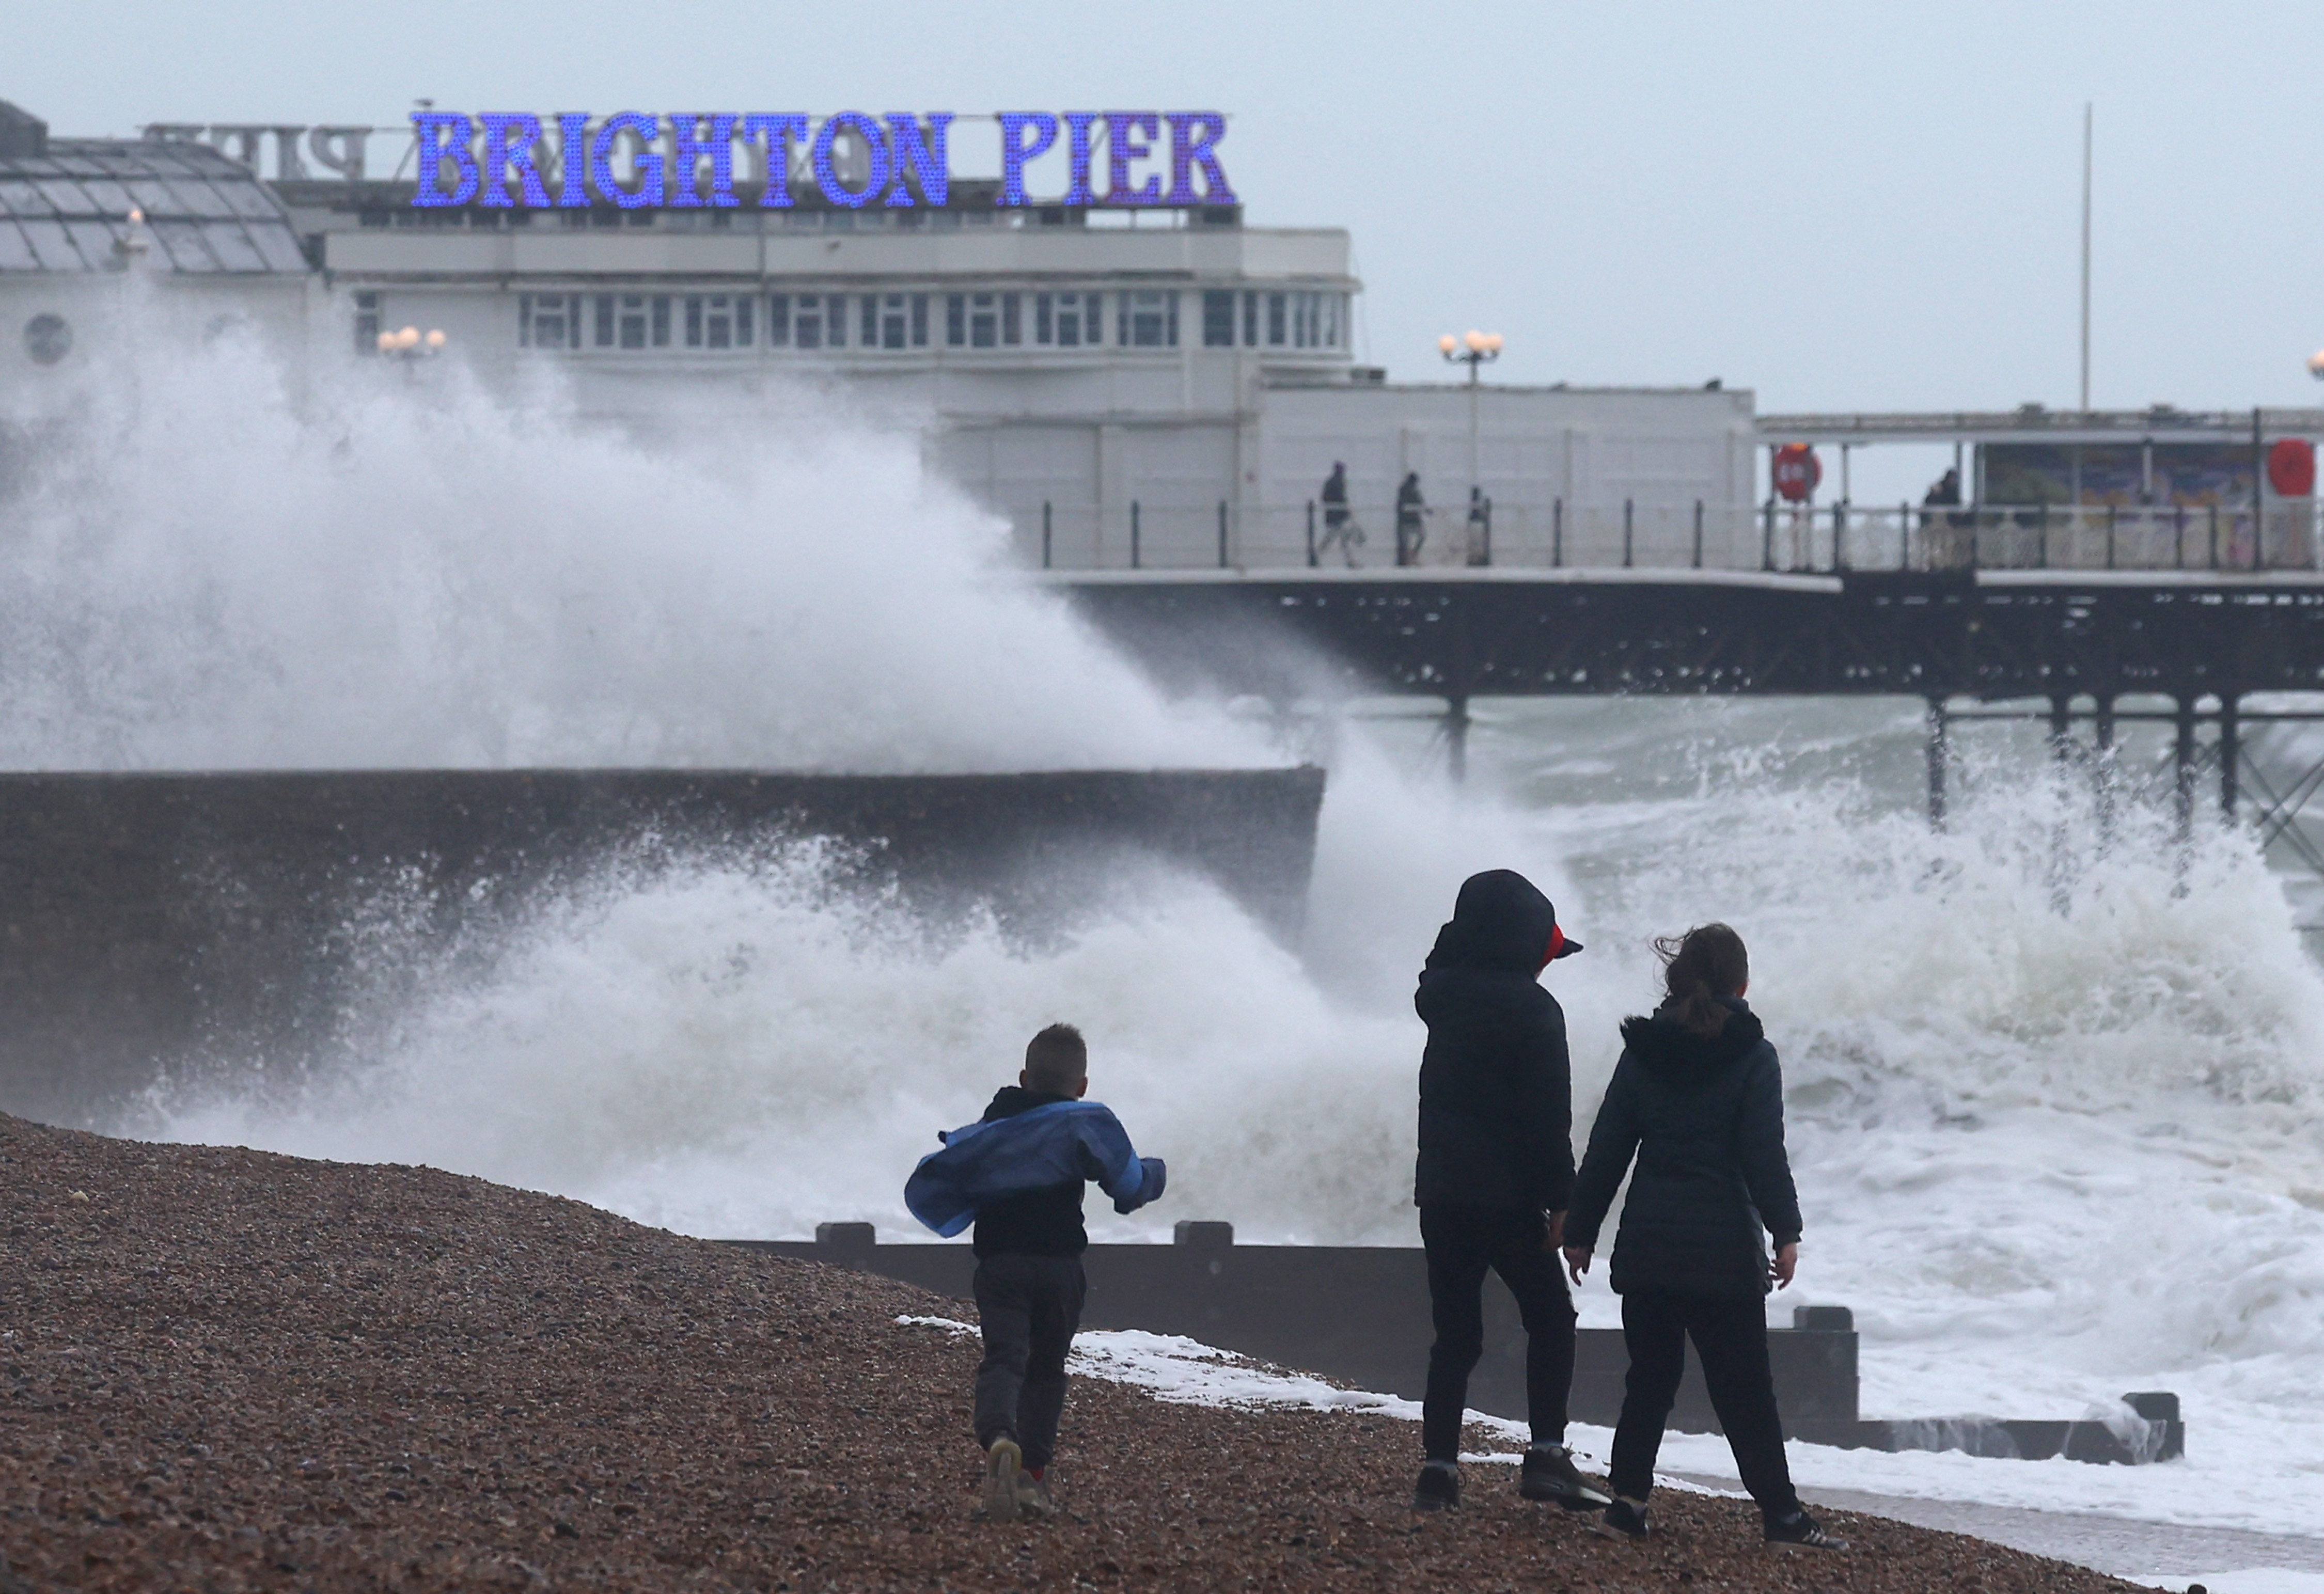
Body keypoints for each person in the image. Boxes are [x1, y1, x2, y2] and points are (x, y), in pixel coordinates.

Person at [1561, 924, 1847, 1552]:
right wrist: (1787, 1231)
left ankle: (1628, 1507)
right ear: (1742, 985)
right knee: (1745, 1393)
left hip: (1651, 1251)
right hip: (1722, 1256)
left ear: (1679, 979)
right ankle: (1783, 1519)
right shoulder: (1754, 1055)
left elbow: (1609, 1148)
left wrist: (1580, 1231)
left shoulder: (1645, 1052)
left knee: (1650, 1382)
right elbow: (1762, 1155)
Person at [904, 1023, 1167, 1523]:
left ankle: (1001, 1439)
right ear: (1082, 1087)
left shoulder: (992, 1131)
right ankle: (1033, 1481)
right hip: (1060, 1269)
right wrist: (1156, 1174)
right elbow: (1128, 1187)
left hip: (1001, 1267)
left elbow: (946, 1179)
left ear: (1024, 1078)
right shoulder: (1083, 1122)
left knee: (1005, 1359)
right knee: (1046, 1372)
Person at [1410, 870, 1608, 1513]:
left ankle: (1438, 1473)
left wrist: (1457, 932)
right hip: (1505, 1199)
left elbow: (1443, 956)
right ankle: (1547, 1458)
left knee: (1456, 1335)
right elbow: (1548, 1118)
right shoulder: (1533, 1009)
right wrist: (1562, 1201)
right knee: (1551, 1319)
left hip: (1440, 1195)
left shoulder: (1441, 996)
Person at [1317, 461, 1362, 565]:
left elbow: (1325, 498)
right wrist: (1346, 511)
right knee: (1334, 538)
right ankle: (1349, 561)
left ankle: (1349, 561)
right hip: (1338, 516)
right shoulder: (1338, 482)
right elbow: (1341, 498)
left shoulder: (1331, 482)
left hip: (1334, 515)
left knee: (1339, 538)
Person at [1395, 471, 1427, 566]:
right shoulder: (1405, 491)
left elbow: (1420, 503)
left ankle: (1412, 557)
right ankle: (1408, 559)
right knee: (1407, 541)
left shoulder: (1414, 491)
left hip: (1412, 520)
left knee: (1419, 537)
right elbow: (1404, 506)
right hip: (1407, 521)